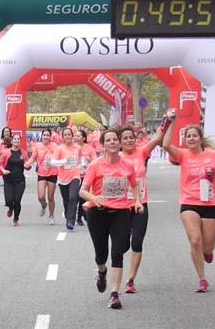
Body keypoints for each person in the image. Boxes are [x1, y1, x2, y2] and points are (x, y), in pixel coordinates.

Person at [162, 116, 215, 293]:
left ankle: (208, 253)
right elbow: (166, 145)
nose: (191, 139)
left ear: (200, 138)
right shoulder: (183, 155)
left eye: (194, 136)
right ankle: (202, 279)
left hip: (210, 203)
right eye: (188, 136)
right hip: (189, 203)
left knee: (207, 247)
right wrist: (171, 123)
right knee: (195, 241)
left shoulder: (212, 155)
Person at [79, 127, 139, 310]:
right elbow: (83, 190)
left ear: (119, 143)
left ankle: (114, 294)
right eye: (109, 140)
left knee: (117, 252)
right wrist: (94, 198)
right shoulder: (95, 165)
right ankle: (102, 271)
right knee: (101, 254)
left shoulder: (127, 165)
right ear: (103, 144)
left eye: (115, 140)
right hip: (97, 213)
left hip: (120, 212)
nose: (112, 142)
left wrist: (137, 201)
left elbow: (134, 185)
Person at [119, 114, 172, 294]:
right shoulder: (114, 157)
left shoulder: (142, 152)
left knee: (138, 242)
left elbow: (158, 138)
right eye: (124, 138)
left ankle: (131, 279)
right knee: (122, 244)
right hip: (120, 206)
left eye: (131, 138)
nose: (128, 141)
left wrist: (168, 120)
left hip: (141, 203)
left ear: (135, 139)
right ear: (119, 142)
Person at [50, 128, 84, 231]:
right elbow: (53, 162)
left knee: (73, 197)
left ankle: (70, 222)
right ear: (63, 137)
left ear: (72, 136)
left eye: (69, 134)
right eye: (66, 135)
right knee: (67, 200)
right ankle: (68, 215)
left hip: (75, 176)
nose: (68, 136)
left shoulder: (77, 147)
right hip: (63, 178)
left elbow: (80, 160)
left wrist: (82, 165)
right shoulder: (60, 148)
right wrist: (64, 161)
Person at [0, 133, 32, 226]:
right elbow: (0, 165)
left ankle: (16, 218)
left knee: (17, 200)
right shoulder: (5, 152)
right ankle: (10, 208)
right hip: (8, 180)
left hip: (20, 180)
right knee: (8, 201)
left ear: (20, 142)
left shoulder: (23, 153)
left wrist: (27, 166)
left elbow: (28, 165)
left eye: (18, 139)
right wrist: (3, 170)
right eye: (15, 139)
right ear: (12, 141)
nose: (16, 140)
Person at [31, 129, 58, 224]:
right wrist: (28, 163)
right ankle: (43, 205)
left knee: (50, 197)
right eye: (44, 135)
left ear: (50, 137)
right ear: (41, 136)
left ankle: (51, 215)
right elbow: (33, 157)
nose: (46, 137)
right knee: (41, 196)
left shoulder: (54, 146)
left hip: (53, 173)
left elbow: (58, 157)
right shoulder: (37, 146)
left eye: (48, 135)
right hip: (42, 173)